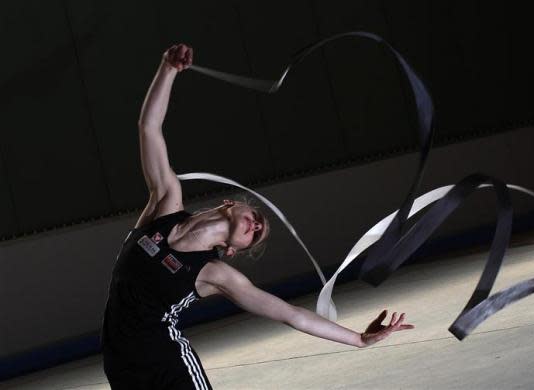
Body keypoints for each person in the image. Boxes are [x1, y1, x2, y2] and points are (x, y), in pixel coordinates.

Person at [100, 43, 415, 390]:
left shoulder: (213, 273)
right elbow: (148, 128)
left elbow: (291, 314)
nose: (258, 225)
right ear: (230, 204)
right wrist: (168, 68)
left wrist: (358, 339)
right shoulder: (165, 205)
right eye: (257, 217)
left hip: (167, 364)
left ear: (233, 249)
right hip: (120, 366)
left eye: (256, 236)